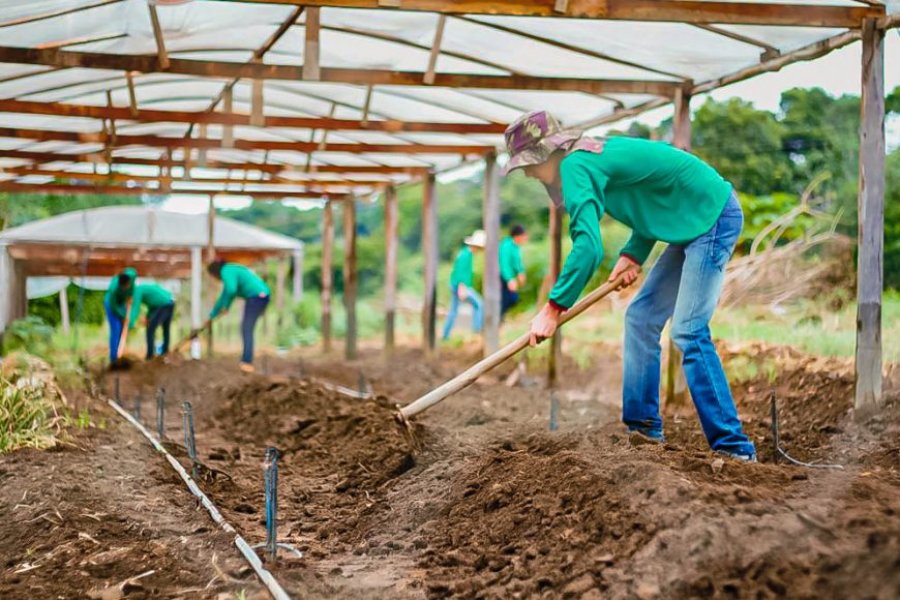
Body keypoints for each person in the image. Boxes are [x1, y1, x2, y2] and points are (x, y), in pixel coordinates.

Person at [503, 110, 756, 462]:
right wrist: (633, 254)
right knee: (640, 317)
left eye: (528, 164)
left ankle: (734, 447)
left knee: (688, 331)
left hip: (710, 216)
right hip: (688, 216)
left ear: (547, 152)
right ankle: (643, 430)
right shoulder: (588, 156)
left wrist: (553, 308)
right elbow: (652, 197)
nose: (528, 173)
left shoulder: (575, 167)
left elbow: (589, 247)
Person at [208, 259, 270, 373]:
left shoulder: (226, 270)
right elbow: (225, 294)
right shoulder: (231, 269)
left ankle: (247, 362)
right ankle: (247, 361)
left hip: (256, 297)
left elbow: (231, 290)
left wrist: (226, 306)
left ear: (214, 272)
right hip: (261, 296)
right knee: (247, 328)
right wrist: (214, 313)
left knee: (246, 328)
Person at [442, 230, 485, 341]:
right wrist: (462, 288)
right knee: (479, 304)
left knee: (453, 311)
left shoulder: (465, 253)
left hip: (457, 285)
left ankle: (445, 335)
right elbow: (460, 272)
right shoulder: (466, 255)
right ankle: (477, 329)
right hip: (460, 286)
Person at [128, 283, 175, 360]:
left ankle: (150, 356)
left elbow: (135, 309)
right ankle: (165, 352)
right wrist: (148, 317)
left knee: (150, 330)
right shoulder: (143, 288)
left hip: (164, 304)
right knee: (166, 329)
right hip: (170, 302)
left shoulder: (136, 291)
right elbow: (153, 304)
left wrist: (130, 324)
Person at [104, 267, 136, 365]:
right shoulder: (113, 289)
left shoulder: (131, 277)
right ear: (120, 285)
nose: (126, 288)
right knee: (116, 329)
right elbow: (114, 307)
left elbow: (133, 271)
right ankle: (114, 358)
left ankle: (120, 353)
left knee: (123, 328)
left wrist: (131, 296)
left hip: (122, 303)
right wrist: (122, 317)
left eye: (128, 286)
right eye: (124, 287)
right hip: (111, 304)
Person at [500, 224, 528, 317]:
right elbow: (505, 264)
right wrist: (510, 279)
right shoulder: (506, 245)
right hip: (502, 277)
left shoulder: (516, 246)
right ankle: (497, 320)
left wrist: (521, 272)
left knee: (512, 299)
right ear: (517, 236)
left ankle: (500, 319)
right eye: (523, 236)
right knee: (508, 299)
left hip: (509, 277)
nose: (525, 238)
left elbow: (517, 262)